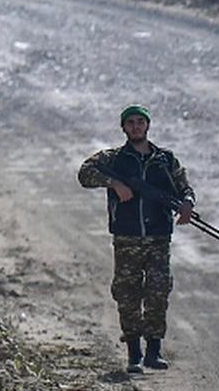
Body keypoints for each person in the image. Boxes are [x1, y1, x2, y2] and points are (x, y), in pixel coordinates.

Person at [78, 104, 195, 374]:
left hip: (158, 237)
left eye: (140, 122)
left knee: (157, 291)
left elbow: (185, 186)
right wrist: (115, 184)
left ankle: (154, 351)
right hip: (127, 236)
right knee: (128, 293)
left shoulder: (165, 159)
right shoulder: (113, 159)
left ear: (147, 125)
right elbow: (84, 174)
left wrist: (187, 203)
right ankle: (134, 353)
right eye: (130, 122)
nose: (135, 126)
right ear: (123, 127)